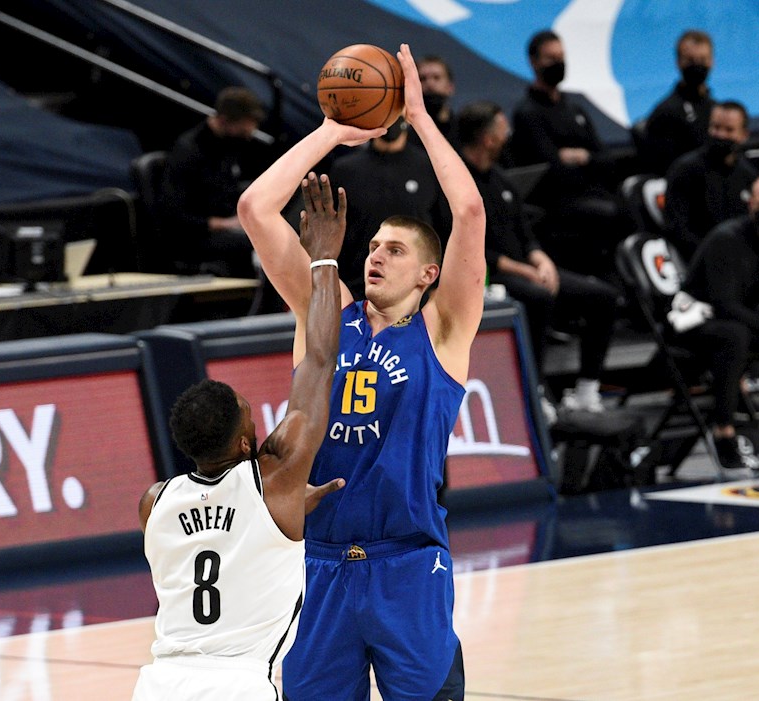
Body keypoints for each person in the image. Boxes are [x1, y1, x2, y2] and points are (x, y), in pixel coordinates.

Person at [238, 43, 484, 701]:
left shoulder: (443, 331)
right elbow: (256, 209)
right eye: (372, 246)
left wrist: (419, 119)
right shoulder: (326, 314)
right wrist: (330, 132)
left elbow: (469, 213)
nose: (375, 255)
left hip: (409, 564)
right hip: (319, 565)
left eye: (395, 250)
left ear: (429, 273)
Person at [132, 173, 350, 700]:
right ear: (247, 445)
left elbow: (214, 535)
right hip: (236, 684)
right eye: (252, 417)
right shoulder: (275, 480)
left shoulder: (154, 502)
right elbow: (320, 361)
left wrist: (282, 513)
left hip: (159, 683)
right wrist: (323, 259)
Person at [457, 100, 619, 414]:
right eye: (503, 131)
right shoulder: (456, 184)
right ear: (488, 139)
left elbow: (525, 232)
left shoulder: (501, 179)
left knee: (604, 297)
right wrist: (524, 270)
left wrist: (541, 260)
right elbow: (468, 249)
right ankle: (536, 389)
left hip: (523, 268)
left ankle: (586, 390)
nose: (508, 136)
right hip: (488, 276)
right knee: (538, 298)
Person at [509, 29, 630, 279]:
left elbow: (606, 160)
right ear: (534, 62)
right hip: (556, 203)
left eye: (561, 57)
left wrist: (583, 158)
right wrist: (588, 162)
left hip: (592, 192)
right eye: (551, 58)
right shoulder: (528, 114)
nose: (558, 64)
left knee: (632, 203)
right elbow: (554, 171)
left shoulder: (575, 108)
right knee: (614, 214)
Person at [676, 175, 759, 469]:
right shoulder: (727, 240)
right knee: (735, 335)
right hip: (693, 322)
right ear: (751, 205)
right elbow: (724, 305)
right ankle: (723, 431)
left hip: (738, 321)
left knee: (739, 332)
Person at [160, 86, 270, 278]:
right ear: (224, 120)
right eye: (245, 126)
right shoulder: (188, 152)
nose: (250, 132)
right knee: (257, 243)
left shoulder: (229, 144)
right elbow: (174, 214)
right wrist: (224, 223)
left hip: (226, 223)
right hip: (195, 236)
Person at [329, 116, 440, 297]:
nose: (391, 120)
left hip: (414, 292)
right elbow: (330, 232)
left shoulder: (428, 167)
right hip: (355, 289)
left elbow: (443, 229)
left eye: (396, 111)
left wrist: (436, 289)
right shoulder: (345, 170)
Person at [663, 100, 758, 262]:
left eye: (729, 130)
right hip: (700, 260)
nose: (720, 135)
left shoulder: (748, 175)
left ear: (744, 135)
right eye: (716, 127)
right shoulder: (685, 170)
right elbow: (677, 229)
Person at [640, 30, 716, 176]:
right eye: (691, 60)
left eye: (702, 60)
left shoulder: (716, 108)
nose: (697, 65)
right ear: (679, 63)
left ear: (712, 61)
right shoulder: (666, 112)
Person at [406, 54, 457, 149]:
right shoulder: (404, 133)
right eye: (423, 79)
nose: (430, 83)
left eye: (436, 77)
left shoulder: (462, 131)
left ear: (450, 87)